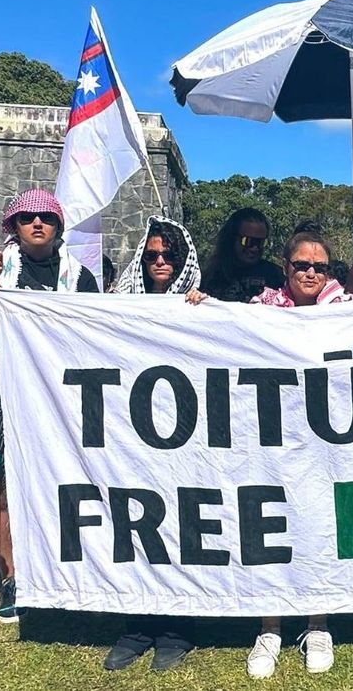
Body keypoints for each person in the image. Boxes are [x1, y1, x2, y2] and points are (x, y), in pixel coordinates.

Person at [189, 226, 351, 677]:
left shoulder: (347, 308)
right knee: (268, 526)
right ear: (286, 267)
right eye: (301, 265)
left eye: (320, 267)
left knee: (319, 525)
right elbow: (226, 333)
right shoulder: (262, 307)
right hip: (269, 436)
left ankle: (318, 624)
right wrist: (204, 309)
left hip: (324, 439)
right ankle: (270, 627)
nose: (311, 273)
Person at [0, 189, 97, 624]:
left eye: (46, 217)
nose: (37, 223)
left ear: (58, 226)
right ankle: (11, 579)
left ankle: (66, 569)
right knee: (3, 490)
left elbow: (96, 334)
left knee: (68, 484)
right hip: (7, 395)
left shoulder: (80, 277)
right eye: (27, 217)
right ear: (14, 226)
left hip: (62, 398)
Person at [101, 215, 202, 672]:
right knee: (135, 525)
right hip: (132, 437)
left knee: (180, 526)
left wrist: (202, 309)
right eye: (152, 256)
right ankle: (137, 625)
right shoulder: (120, 305)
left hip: (187, 438)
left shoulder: (198, 305)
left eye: (170, 256)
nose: (160, 262)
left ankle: (177, 629)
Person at [199, 207, 285, 303]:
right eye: (247, 241)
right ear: (231, 239)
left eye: (261, 242)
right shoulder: (210, 277)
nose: (255, 248)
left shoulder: (277, 276)